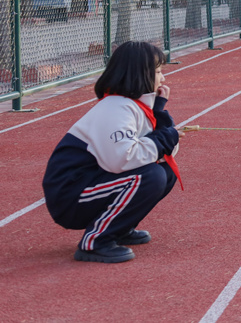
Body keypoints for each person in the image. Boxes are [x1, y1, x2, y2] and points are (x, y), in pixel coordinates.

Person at [42, 41, 181, 263]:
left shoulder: (135, 107)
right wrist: (166, 136)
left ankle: (119, 228)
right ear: (140, 74)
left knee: (165, 171)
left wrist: (160, 114)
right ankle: (96, 242)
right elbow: (122, 159)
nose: (162, 78)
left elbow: (164, 152)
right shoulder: (116, 108)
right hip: (70, 195)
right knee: (151, 177)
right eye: (158, 72)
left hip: (90, 183)